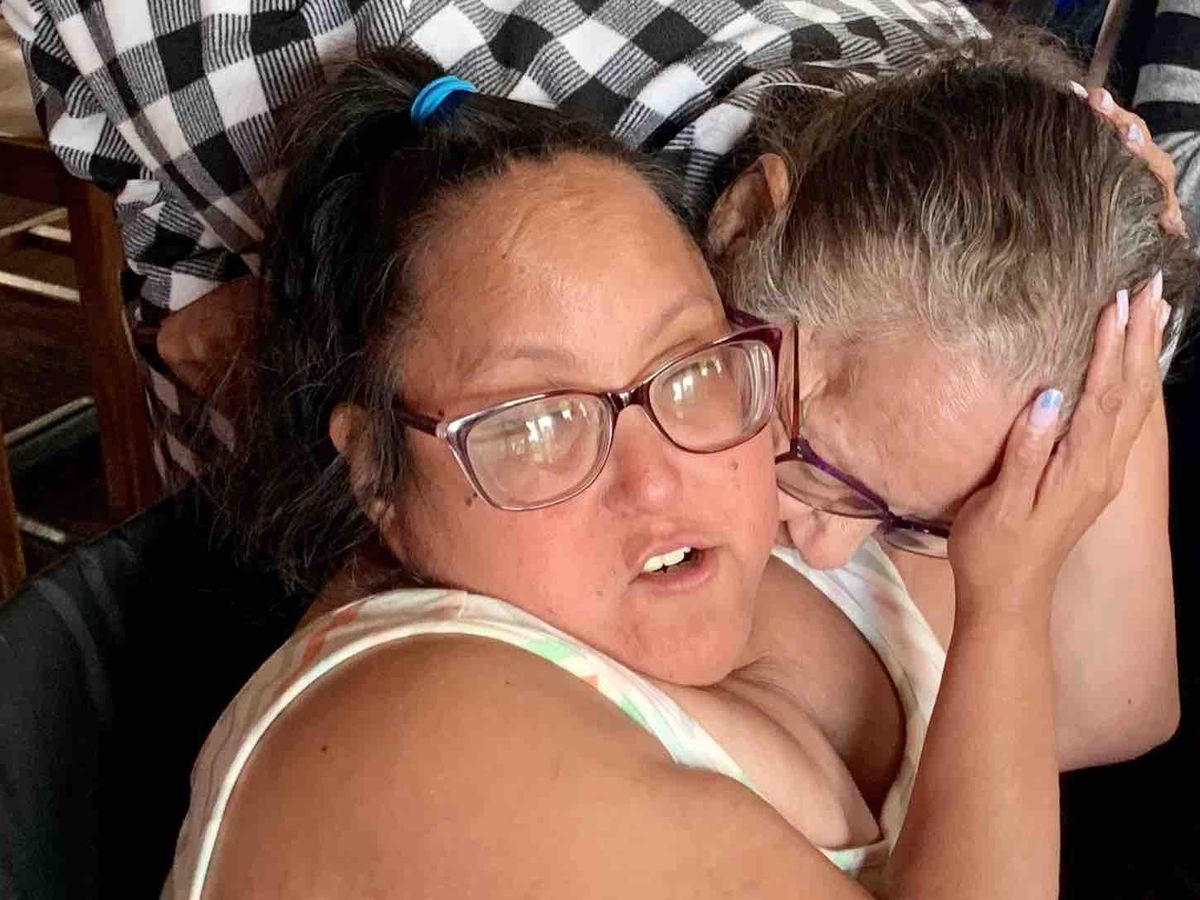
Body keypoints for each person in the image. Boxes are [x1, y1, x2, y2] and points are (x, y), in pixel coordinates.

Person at [166, 49, 1167, 899]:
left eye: (685, 365)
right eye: (536, 421)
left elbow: (1108, 706)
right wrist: (1007, 606)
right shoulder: (424, 734)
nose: (657, 483)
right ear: (376, 473)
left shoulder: (799, 486)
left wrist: (1100, 275)